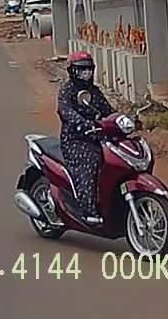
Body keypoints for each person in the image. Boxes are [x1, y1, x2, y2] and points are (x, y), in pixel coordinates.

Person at [57, 50, 114, 226]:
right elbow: (65, 111)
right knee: (90, 161)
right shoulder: (67, 90)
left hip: (97, 136)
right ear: (72, 71)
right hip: (75, 139)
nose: (86, 73)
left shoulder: (94, 92)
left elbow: (108, 110)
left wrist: (121, 120)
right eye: (82, 69)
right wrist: (82, 122)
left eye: (88, 69)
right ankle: (88, 210)